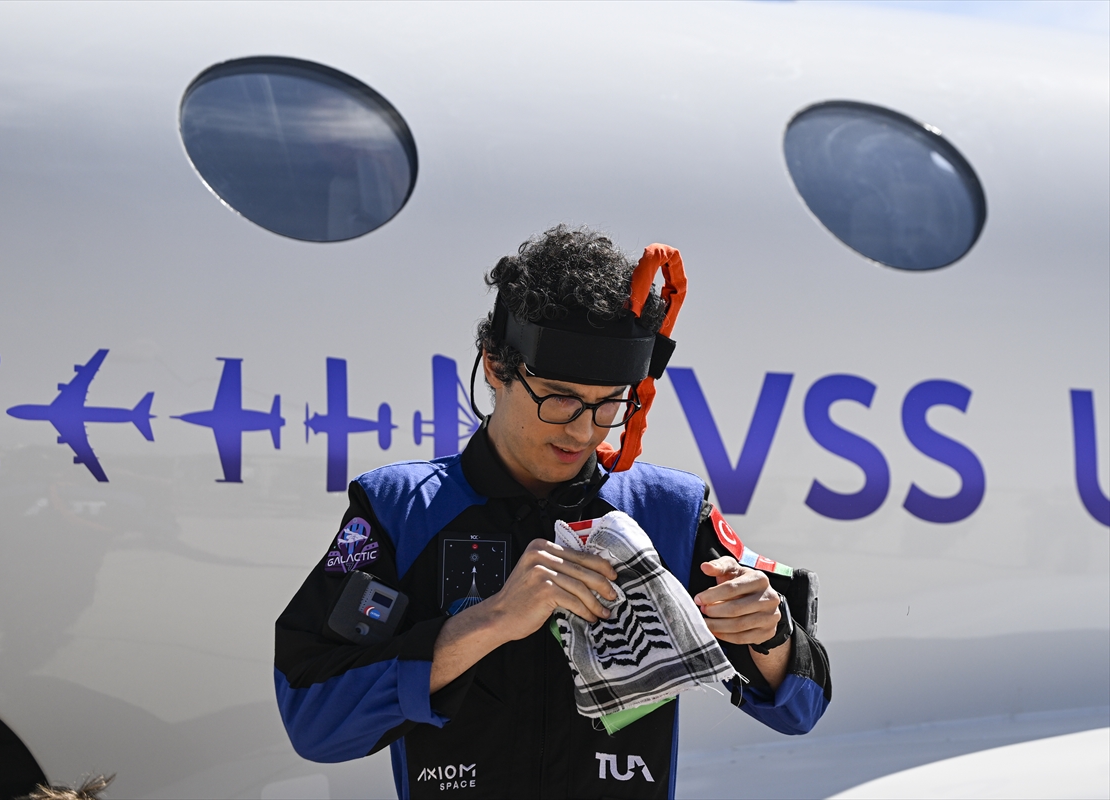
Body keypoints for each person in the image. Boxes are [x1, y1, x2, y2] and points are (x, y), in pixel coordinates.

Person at [275, 225, 831, 799]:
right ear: (495, 366)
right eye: (560, 398)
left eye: (610, 403)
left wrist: (770, 635)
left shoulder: (669, 509)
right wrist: (489, 621)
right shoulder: (399, 508)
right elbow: (314, 722)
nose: (584, 430)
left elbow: (802, 709)